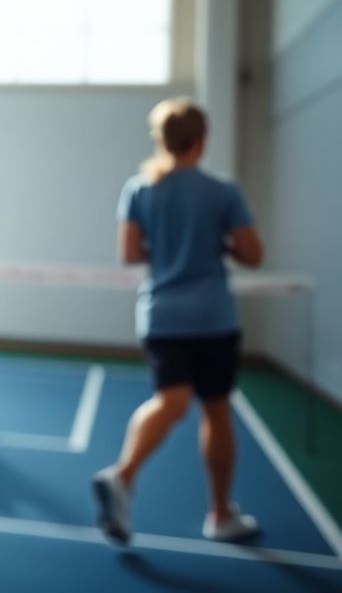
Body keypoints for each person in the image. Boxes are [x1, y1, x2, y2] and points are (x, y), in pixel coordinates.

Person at [93, 98, 264, 546]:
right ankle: (220, 514)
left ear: (161, 140)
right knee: (216, 410)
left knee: (169, 402)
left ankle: (124, 475)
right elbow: (253, 254)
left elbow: (130, 253)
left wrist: (168, 253)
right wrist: (217, 244)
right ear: (202, 140)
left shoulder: (140, 189)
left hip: (162, 314)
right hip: (212, 317)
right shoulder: (223, 192)